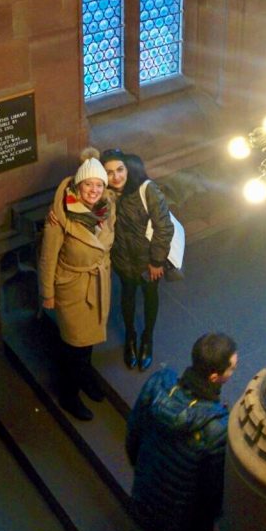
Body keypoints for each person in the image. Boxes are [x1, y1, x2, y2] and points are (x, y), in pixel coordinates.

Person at [125, 332, 238, 531]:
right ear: (215, 377)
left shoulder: (158, 384)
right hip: (185, 517)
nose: (233, 372)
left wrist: (144, 470)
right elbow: (211, 492)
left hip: (148, 491)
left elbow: (133, 435)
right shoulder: (217, 428)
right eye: (232, 369)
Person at [38, 147, 116, 421]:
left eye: (98, 184)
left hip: (98, 282)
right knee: (74, 344)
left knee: (89, 340)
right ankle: (68, 394)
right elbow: (48, 257)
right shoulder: (60, 215)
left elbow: (109, 238)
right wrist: (47, 294)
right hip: (72, 286)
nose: (94, 190)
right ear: (77, 185)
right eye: (88, 184)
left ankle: (85, 378)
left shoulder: (107, 206)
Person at [101, 149, 173, 371]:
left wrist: (157, 261)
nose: (116, 177)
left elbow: (164, 226)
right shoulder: (106, 194)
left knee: (150, 295)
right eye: (109, 172)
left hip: (147, 261)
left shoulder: (147, 189)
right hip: (123, 259)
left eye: (120, 170)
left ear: (128, 169)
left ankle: (147, 338)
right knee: (127, 296)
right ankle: (130, 337)